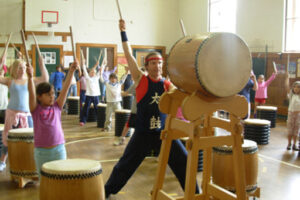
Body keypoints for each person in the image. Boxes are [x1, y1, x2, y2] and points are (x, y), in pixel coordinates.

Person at [104, 19, 199, 198]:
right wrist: (123, 33)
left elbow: (184, 94)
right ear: (147, 66)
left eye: (160, 63)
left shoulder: (168, 85)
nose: (157, 66)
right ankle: (107, 191)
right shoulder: (141, 80)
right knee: (125, 164)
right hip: (143, 134)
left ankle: (195, 193)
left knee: (184, 161)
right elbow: (129, 54)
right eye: (153, 63)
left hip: (163, 134)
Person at [0, 39, 49, 171]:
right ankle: (2, 161)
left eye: (24, 67)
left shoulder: (30, 80)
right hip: (11, 114)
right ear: (15, 69)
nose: (22, 70)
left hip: (27, 114)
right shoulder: (10, 81)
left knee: (31, 139)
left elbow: (45, 78)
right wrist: (1, 62)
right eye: (19, 67)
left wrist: (41, 61)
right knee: (8, 139)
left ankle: (32, 162)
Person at [27, 60, 78, 175]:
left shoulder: (57, 107)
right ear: (39, 97)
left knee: (60, 180)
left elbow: (65, 88)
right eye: (48, 94)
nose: (52, 97)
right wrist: (30, 77)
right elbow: (31, 93)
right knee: (44, 182)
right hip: (41, 152)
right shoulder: (35, 110)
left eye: (53, 93)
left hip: (58, 149)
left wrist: (71, 71)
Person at [100, 64, 128, 131]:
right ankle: (107, 127)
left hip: (117, 102)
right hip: (109, 103)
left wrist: (127, 72)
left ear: (116, 79)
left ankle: (121, 128)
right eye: (111, 78)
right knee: (108, 116)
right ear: (109, 79)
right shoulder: (107, 83)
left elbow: (123, 78)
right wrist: (101, 72)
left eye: (114, 78)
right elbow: (101, 79)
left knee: (120, 115)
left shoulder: (119, 84)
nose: (113, 80)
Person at [79, 61, 103, 126]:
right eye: (91, 72)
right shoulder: (87, 78)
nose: (93, 73)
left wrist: (100, 66)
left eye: (94, 72)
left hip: (95, 96)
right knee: (86, 108)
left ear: (95, 74)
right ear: (89, 73)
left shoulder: (96, 77)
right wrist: (83, 63)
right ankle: (83, 120)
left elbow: (100, 71)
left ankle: (100, 121)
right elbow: (84, 70)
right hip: (89, 95)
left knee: (97, 108)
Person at [284, 72, 300, 151]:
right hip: (291, 114)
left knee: (296, 130)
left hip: (298, 115)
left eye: (298, 87)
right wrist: (287, 78)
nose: (296, 88)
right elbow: (287, 87)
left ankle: (294, 144)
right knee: (290, 130)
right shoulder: (292, 95)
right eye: (295, 87)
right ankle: (289, 143)